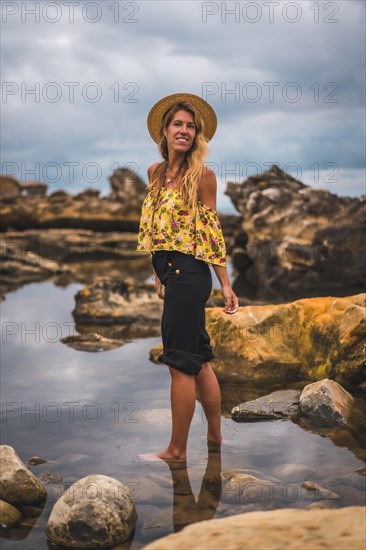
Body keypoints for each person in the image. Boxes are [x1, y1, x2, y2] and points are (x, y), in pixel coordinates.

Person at [136, 92, 239, 462]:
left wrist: (225, 284)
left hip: (191, 274)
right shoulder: (154, 173)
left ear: (197, 136)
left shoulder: (203, 176)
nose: (184, 131)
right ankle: (215, 438)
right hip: (171, 272)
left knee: (179, 363)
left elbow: (212, 232)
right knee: (201, 358)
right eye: (178, 124)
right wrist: (157, 274)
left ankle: (176, 450)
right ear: (164, 131)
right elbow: (154, 229)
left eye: (190, 127)